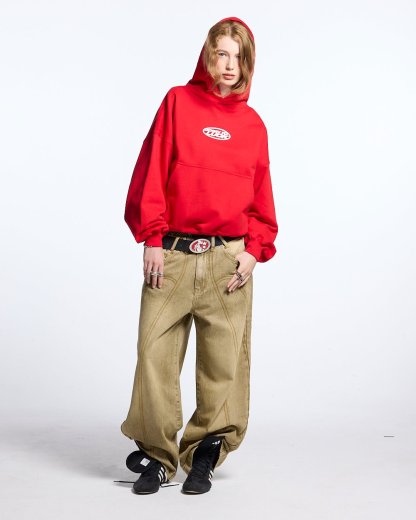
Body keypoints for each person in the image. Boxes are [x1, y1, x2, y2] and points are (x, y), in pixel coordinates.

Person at [120, 15, 278, 495]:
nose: (229, 65)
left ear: (248, 64)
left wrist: (254, 250)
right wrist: (151, 237)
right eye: (221, 54)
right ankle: (158, 456)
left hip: (229, 261)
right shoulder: (177, 103)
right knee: (154, 354)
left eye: (238, 57)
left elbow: (262, 195)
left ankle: (206, 450)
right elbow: (151, 168)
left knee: (224, 362)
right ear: (207, 56)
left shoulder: (253, 126)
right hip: (172, 254)